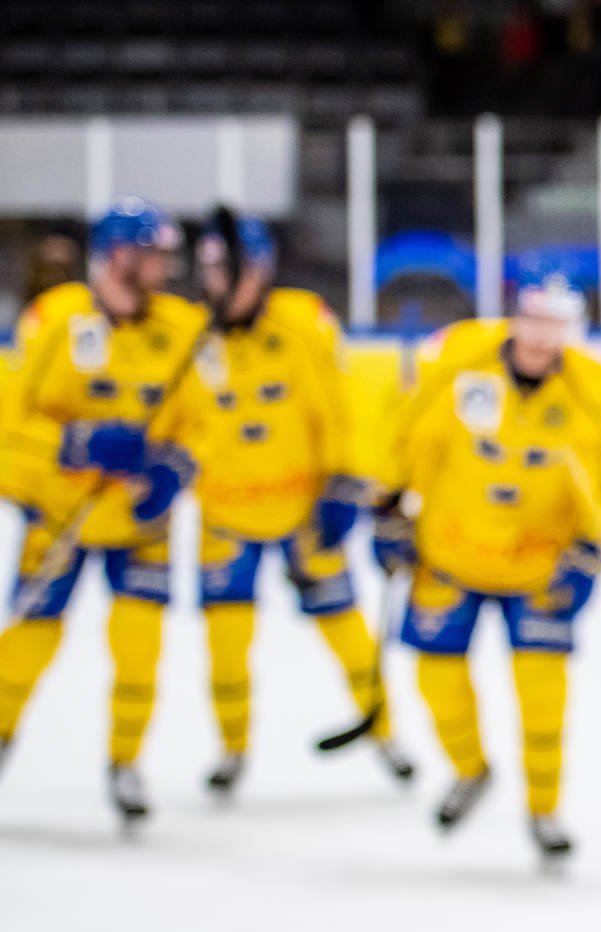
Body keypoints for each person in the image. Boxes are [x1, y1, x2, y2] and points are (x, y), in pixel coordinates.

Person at [373, 269, 601, 866]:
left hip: (539, 564)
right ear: (515, 316)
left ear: (573, 329)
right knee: (436, 675)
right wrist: (387, 503)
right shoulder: (460, 362)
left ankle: (544, 810)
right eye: (534, 320)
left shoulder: (596, 391)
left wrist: (591, 546)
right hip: (450, 551)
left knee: (543, 695)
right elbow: (410, 434)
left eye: (556, 324)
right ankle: (470, 769)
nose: (542, 337)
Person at [174, 208, 414, 795]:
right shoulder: (184, 336)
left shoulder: (303, 322)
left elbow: (339, 406)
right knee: (226, 642)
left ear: (261, 270)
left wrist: (343, 483)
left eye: (234, 269)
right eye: (212, 269)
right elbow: (174, 426)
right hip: (225, 515)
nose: (225, 282)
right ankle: (231, 749)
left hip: (305, 512)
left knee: (344, 627)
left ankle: (385, 733)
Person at [0, 197, 205, 821]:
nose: (164, 269)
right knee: (28, 643)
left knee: (140, 648)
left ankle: (125, 763)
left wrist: (177, 468)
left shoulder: (184, 327)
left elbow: (205, 423)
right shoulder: (54, 319)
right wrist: (73, 443)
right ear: (118, 256)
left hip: (141, 519)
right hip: (62, 514)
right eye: (153, 256)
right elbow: (12, 421)